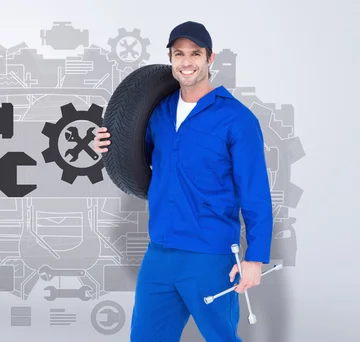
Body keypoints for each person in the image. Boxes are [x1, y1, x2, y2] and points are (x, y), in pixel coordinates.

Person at [94, 21, 273, 341]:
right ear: (170, 58)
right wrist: (111, 143)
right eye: (179, 54)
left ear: (209, 58)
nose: (186, 61)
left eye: (195, 53)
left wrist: (255, 258)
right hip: (159, 253)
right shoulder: (158, 113)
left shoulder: (237, 119)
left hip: (210, 256)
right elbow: (136, 156)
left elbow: (255, 193)